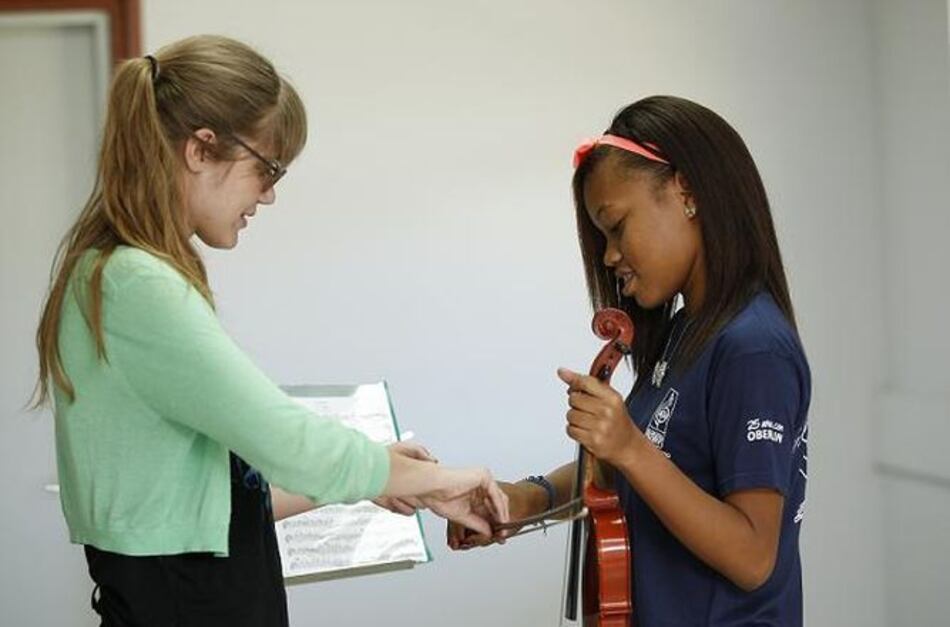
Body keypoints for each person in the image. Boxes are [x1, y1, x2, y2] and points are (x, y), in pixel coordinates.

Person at [33, 35, 508, 626]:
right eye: (267, 168)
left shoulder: (105, 271)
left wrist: (372, 478)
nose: (271, 194)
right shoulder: (134, 283)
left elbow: (198, 508)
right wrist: (440, 481)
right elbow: (288, 444)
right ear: (202, 149)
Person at [448, 95, 810, 627]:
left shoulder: (752, 347)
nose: (610, 256)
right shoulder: (688, 331)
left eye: (616, 227)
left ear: (685, 191)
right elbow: (642, 464)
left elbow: (754, 556)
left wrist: (628, 446)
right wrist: (525, 499)